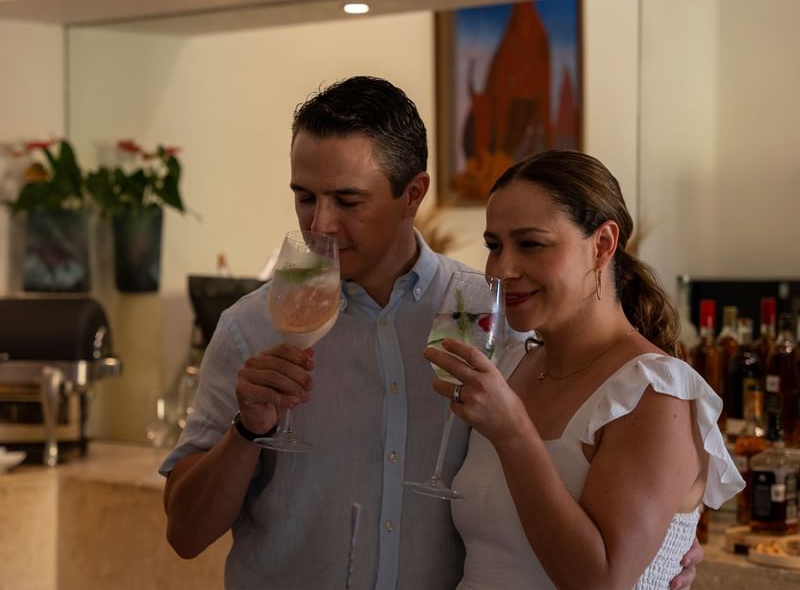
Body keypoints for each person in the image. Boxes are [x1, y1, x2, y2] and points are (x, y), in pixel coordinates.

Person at [162, 77, 702, 589]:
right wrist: (245, 433)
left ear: (413, 194)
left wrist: (670, 540)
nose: (319, 225)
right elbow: (184, 536)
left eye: (348, 201)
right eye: (305, 197)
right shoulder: (251, 327)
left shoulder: (492, 317)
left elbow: (597, 481)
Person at [425, 150, 744, 589]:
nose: (501, 270)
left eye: (531, 244)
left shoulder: (654, 393)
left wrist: (514, 432)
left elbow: (601, 581)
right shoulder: (513, 361)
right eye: (494, 246)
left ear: (603, 245)